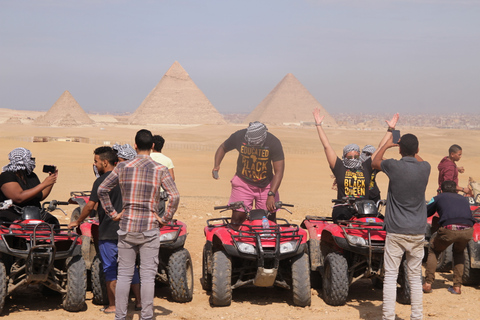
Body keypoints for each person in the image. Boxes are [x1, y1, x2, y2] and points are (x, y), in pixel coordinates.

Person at [98, 129, 180, 320]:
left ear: (135, 145)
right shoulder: (160, 169)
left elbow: (103, 189)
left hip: (127, 227)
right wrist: (165, 218)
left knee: (125, 275)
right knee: (148, 276)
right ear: (152, 146)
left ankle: (120, 316)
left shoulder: (122, 167)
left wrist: (112, 214)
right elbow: (174, 195)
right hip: (150, 227)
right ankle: (146, 316)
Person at [68, 146, 141, 314]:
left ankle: (114, 305)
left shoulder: (101, 181)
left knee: (110, 269)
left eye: (96, 161)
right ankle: (138, 302)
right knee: (131, 267)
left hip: (109, 232)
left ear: (105, 162)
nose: (95, 164)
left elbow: (90, 206)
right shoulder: (129, 178)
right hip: (130, 230)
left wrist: (78, 221)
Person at [372, 133, 431, 320]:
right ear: (418, 149)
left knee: (390, 276)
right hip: (417, 231)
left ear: (399, 149)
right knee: (414, 277)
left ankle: (388, 317)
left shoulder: (394, 166)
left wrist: (388, 145)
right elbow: (421, 161)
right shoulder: (425, 168)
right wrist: (413, 152)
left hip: (396, 229)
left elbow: (375, 161)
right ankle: (417, 316)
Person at [313, 109, 398, 222]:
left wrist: (390, 129)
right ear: (344, 157)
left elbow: (380, 147)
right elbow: (327, 146)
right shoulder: (339, 167)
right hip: (343, 210)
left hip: (364, 210)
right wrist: (318, 125)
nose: (353, 159)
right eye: (349, 157)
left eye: (356, 157)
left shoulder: (366, 166)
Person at [212, 121, 284, 227]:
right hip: (243, 183)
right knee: (237, 219)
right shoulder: (239, 136)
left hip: (266, 185)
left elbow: (279, 171)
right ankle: (239, 243)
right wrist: (216, 165)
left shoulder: (273, 142)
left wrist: (271, 194)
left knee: (268, 221)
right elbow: (223, 147)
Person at [423, 180, 475, 295]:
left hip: (449, 228)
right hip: (468, 230)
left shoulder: (439, 197)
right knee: (459, 252)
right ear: (455, 190)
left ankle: (427, 284)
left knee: (434, 249)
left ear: (441, 190)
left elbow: (426, 212)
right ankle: (457, 287)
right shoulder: (463, 199)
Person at [0, 147, 59, 225]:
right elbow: (18, 198)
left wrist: (51, 181)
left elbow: (40, 195)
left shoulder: (31, 175)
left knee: (53, 222)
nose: (32, 161)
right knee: (18, 227)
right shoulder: (6, 176)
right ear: (22, 161)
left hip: (34, 212)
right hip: (14, 212)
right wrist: (44, 184)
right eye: (30, 158)